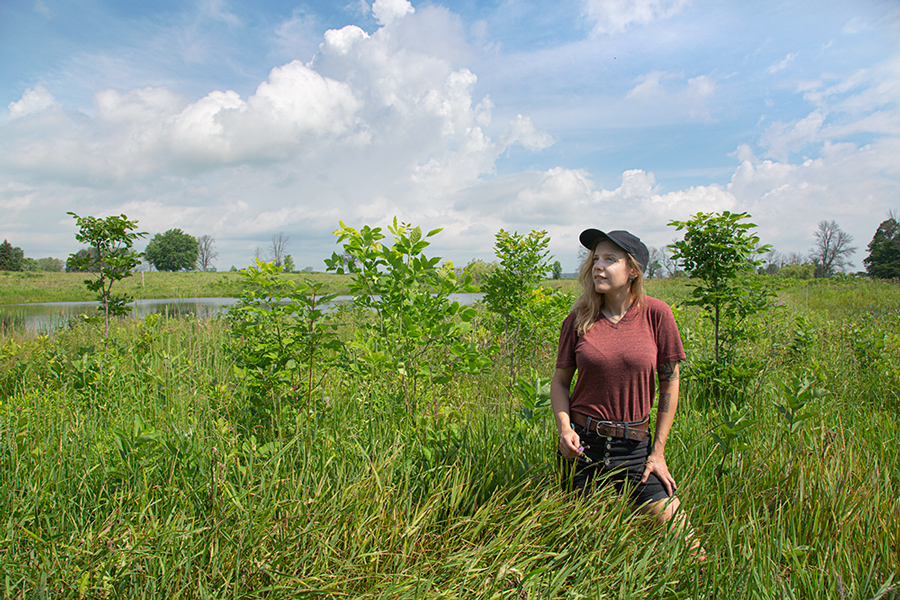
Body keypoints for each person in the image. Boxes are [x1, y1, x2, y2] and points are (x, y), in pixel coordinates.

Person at [551, 228, 701, 554]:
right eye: (595, 259)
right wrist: (564, 430)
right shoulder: (578, 319)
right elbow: (560, 383)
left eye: (610, 259)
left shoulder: (656, 314)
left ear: (632, 270)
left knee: (688, 547)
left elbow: (670, 382)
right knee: (585, 553)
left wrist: (657, 452)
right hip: (583, 449)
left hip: (635, 451)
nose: (598, 267)